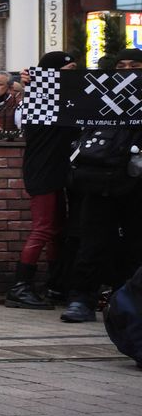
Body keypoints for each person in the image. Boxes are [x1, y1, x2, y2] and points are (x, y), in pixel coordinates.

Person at [60, 48, 142, 324]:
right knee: (91, 243)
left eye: (135, 65)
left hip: (135, 185)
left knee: (135, 245)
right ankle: (82, 297)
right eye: (122, 65)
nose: (128, 70)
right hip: (99, 183)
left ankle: (128, 303)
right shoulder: (99, 97)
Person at [8, 52, 79, 310]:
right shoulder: (40, 99)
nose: (73, 74)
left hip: (55, 172)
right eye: (68, 69)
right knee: (44, 228)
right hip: (43, 172)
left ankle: (55, 284)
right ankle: (21, 286)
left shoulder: (59, 97)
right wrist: (33, 85)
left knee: (57, 230)